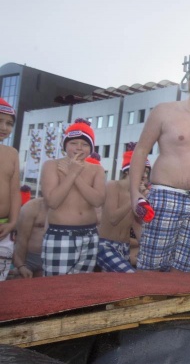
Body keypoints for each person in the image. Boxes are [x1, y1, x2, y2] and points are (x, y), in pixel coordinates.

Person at [130, 63, 190, 273]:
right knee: (151, 267)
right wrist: (135, 193)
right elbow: (141, 150)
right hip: (166, 195)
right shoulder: (164, 111)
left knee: (186, 270)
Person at [41, 119, 106, 276]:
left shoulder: (97, 170)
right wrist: (72, 173)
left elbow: (97, 200)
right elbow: (52, 202)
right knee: (56, 289)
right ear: (65, 145)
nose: (79, 148)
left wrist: (75, 175)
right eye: (73, 143)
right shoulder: (51, 165)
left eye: (84, 144)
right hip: (61, 233)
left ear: (91, 148)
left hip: (90, 234)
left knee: (81, 289)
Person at [97, 146, 150, 273]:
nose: (145, 175)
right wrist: (135, 198)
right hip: (105, 245)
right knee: (130, 276)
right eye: (142, 170)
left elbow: (138, 226)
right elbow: (113, 219)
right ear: (127, 171)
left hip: (124, 247)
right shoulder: (113, 185)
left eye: (147, 172)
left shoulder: (139, 195)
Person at [0, 98, 20, 280]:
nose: (4, 127)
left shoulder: (12, 153)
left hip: (4, 227)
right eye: (0, 121)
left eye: (9, 123)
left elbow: (15, 192)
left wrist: (13, 223)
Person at [11, 197, 47, 278]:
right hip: (29, 257)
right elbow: (22, 239)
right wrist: (21, 266)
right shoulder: (32, 207)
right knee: (21, 281)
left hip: (48, 257)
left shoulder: (65, 210)